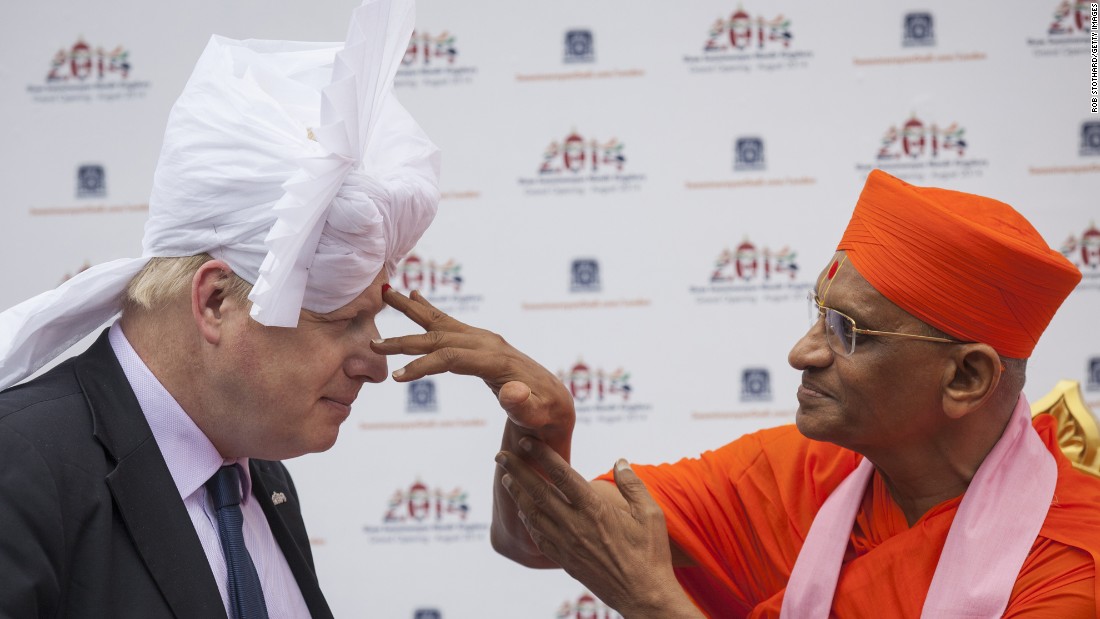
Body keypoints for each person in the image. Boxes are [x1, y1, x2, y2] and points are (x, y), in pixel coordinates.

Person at [371, 169, 1100, 618]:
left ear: (967, 377)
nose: (802, 351)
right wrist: (542, 425)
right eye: (817, 311)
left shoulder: (1072, 564)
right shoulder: (795, 474)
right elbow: (533, 538)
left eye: (848, 331)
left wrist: (656, 604)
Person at [0, 0, 438, 616]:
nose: (375, 364)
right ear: (213, 301)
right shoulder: (22, 465)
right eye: (341, 321)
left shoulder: (257, 477)